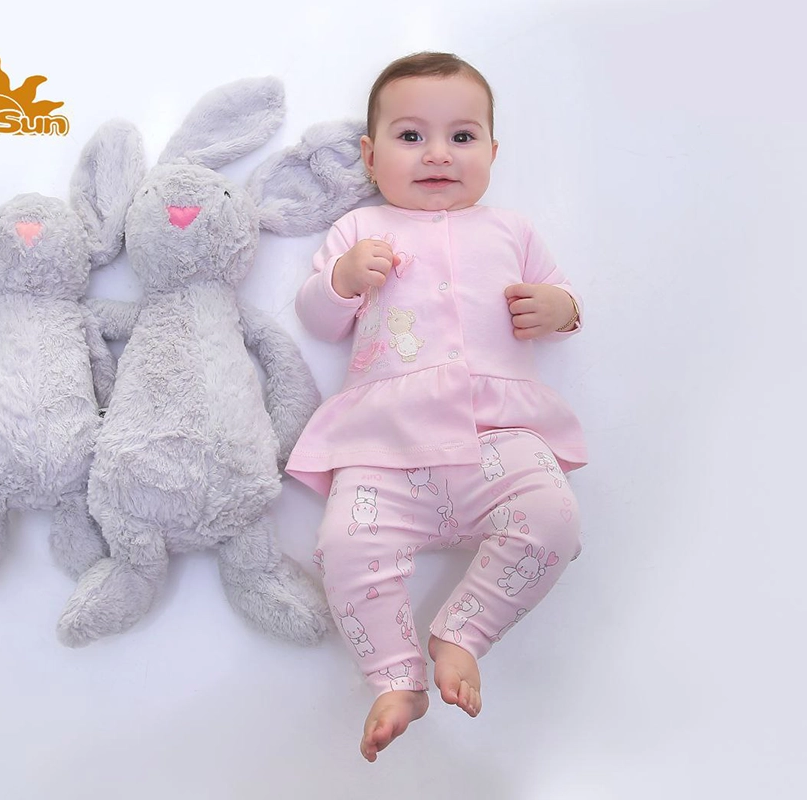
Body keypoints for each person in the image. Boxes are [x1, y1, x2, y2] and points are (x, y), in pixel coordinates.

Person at [285, 52, 588, 762]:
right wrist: (342, 279)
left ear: (491, 152)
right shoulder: (359, 230)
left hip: (498, 438)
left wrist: (558, 308)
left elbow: (565, 299)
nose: (438, 155)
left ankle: (464, 632)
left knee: (554, 520)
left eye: (462, 136)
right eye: (411, 136)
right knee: (343, 547)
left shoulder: (511, 230)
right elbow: (318, 319)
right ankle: (395, 677)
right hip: (385, 447)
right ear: (370, 156)